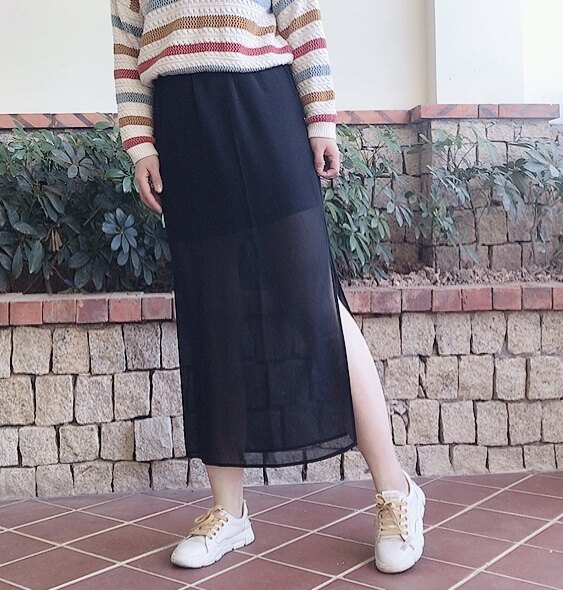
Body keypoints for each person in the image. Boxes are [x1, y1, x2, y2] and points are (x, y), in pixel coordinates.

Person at [110, 0, 426, 574]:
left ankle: (396, 491)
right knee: (213, 313)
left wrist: (321, 120)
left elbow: (301, 15)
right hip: (182, 124)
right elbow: (128, 45)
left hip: (265, 104)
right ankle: (229, 512)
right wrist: (142, 145)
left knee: (315, 306)